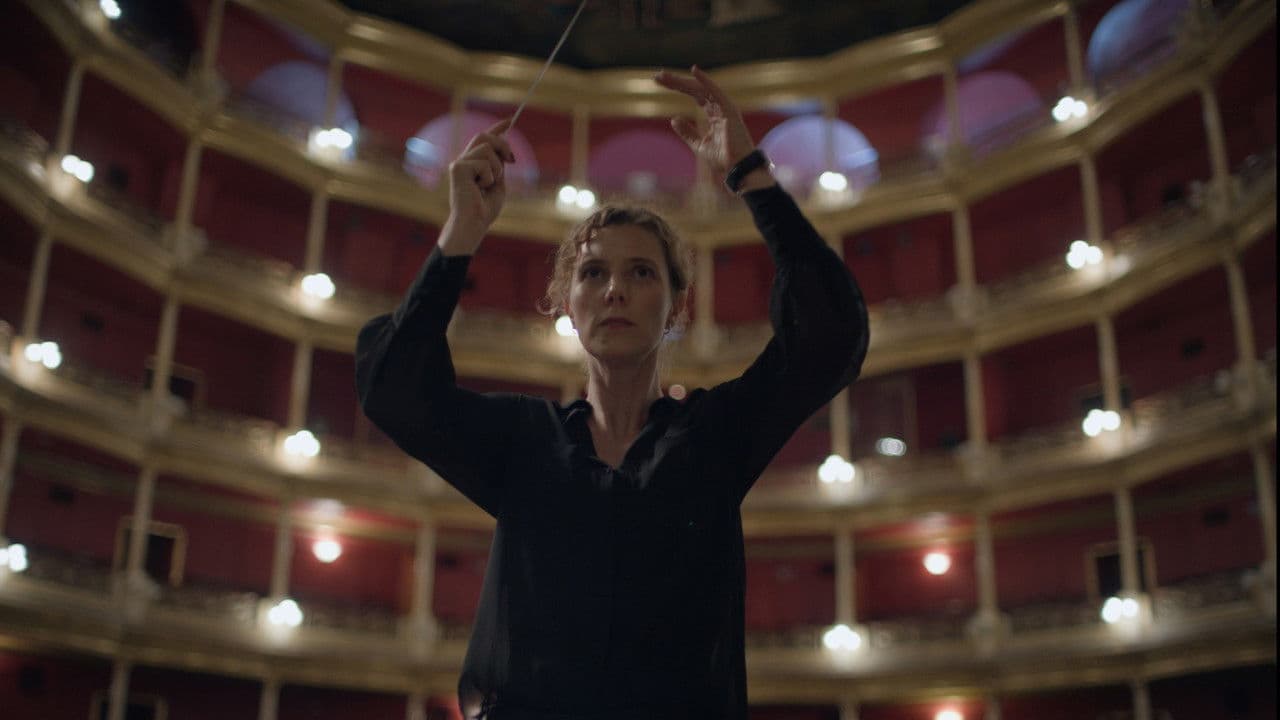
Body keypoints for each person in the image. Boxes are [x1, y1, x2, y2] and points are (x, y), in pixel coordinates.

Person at [356, 66, 869, 719]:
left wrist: (750, 174)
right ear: (566, 305)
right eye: (593, 273)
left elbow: (830, 335)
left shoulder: (715, 436)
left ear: (676, 307)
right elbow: (394, 389)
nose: (615, 290)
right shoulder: (522, 442)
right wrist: (462, 232)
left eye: (642, 273)